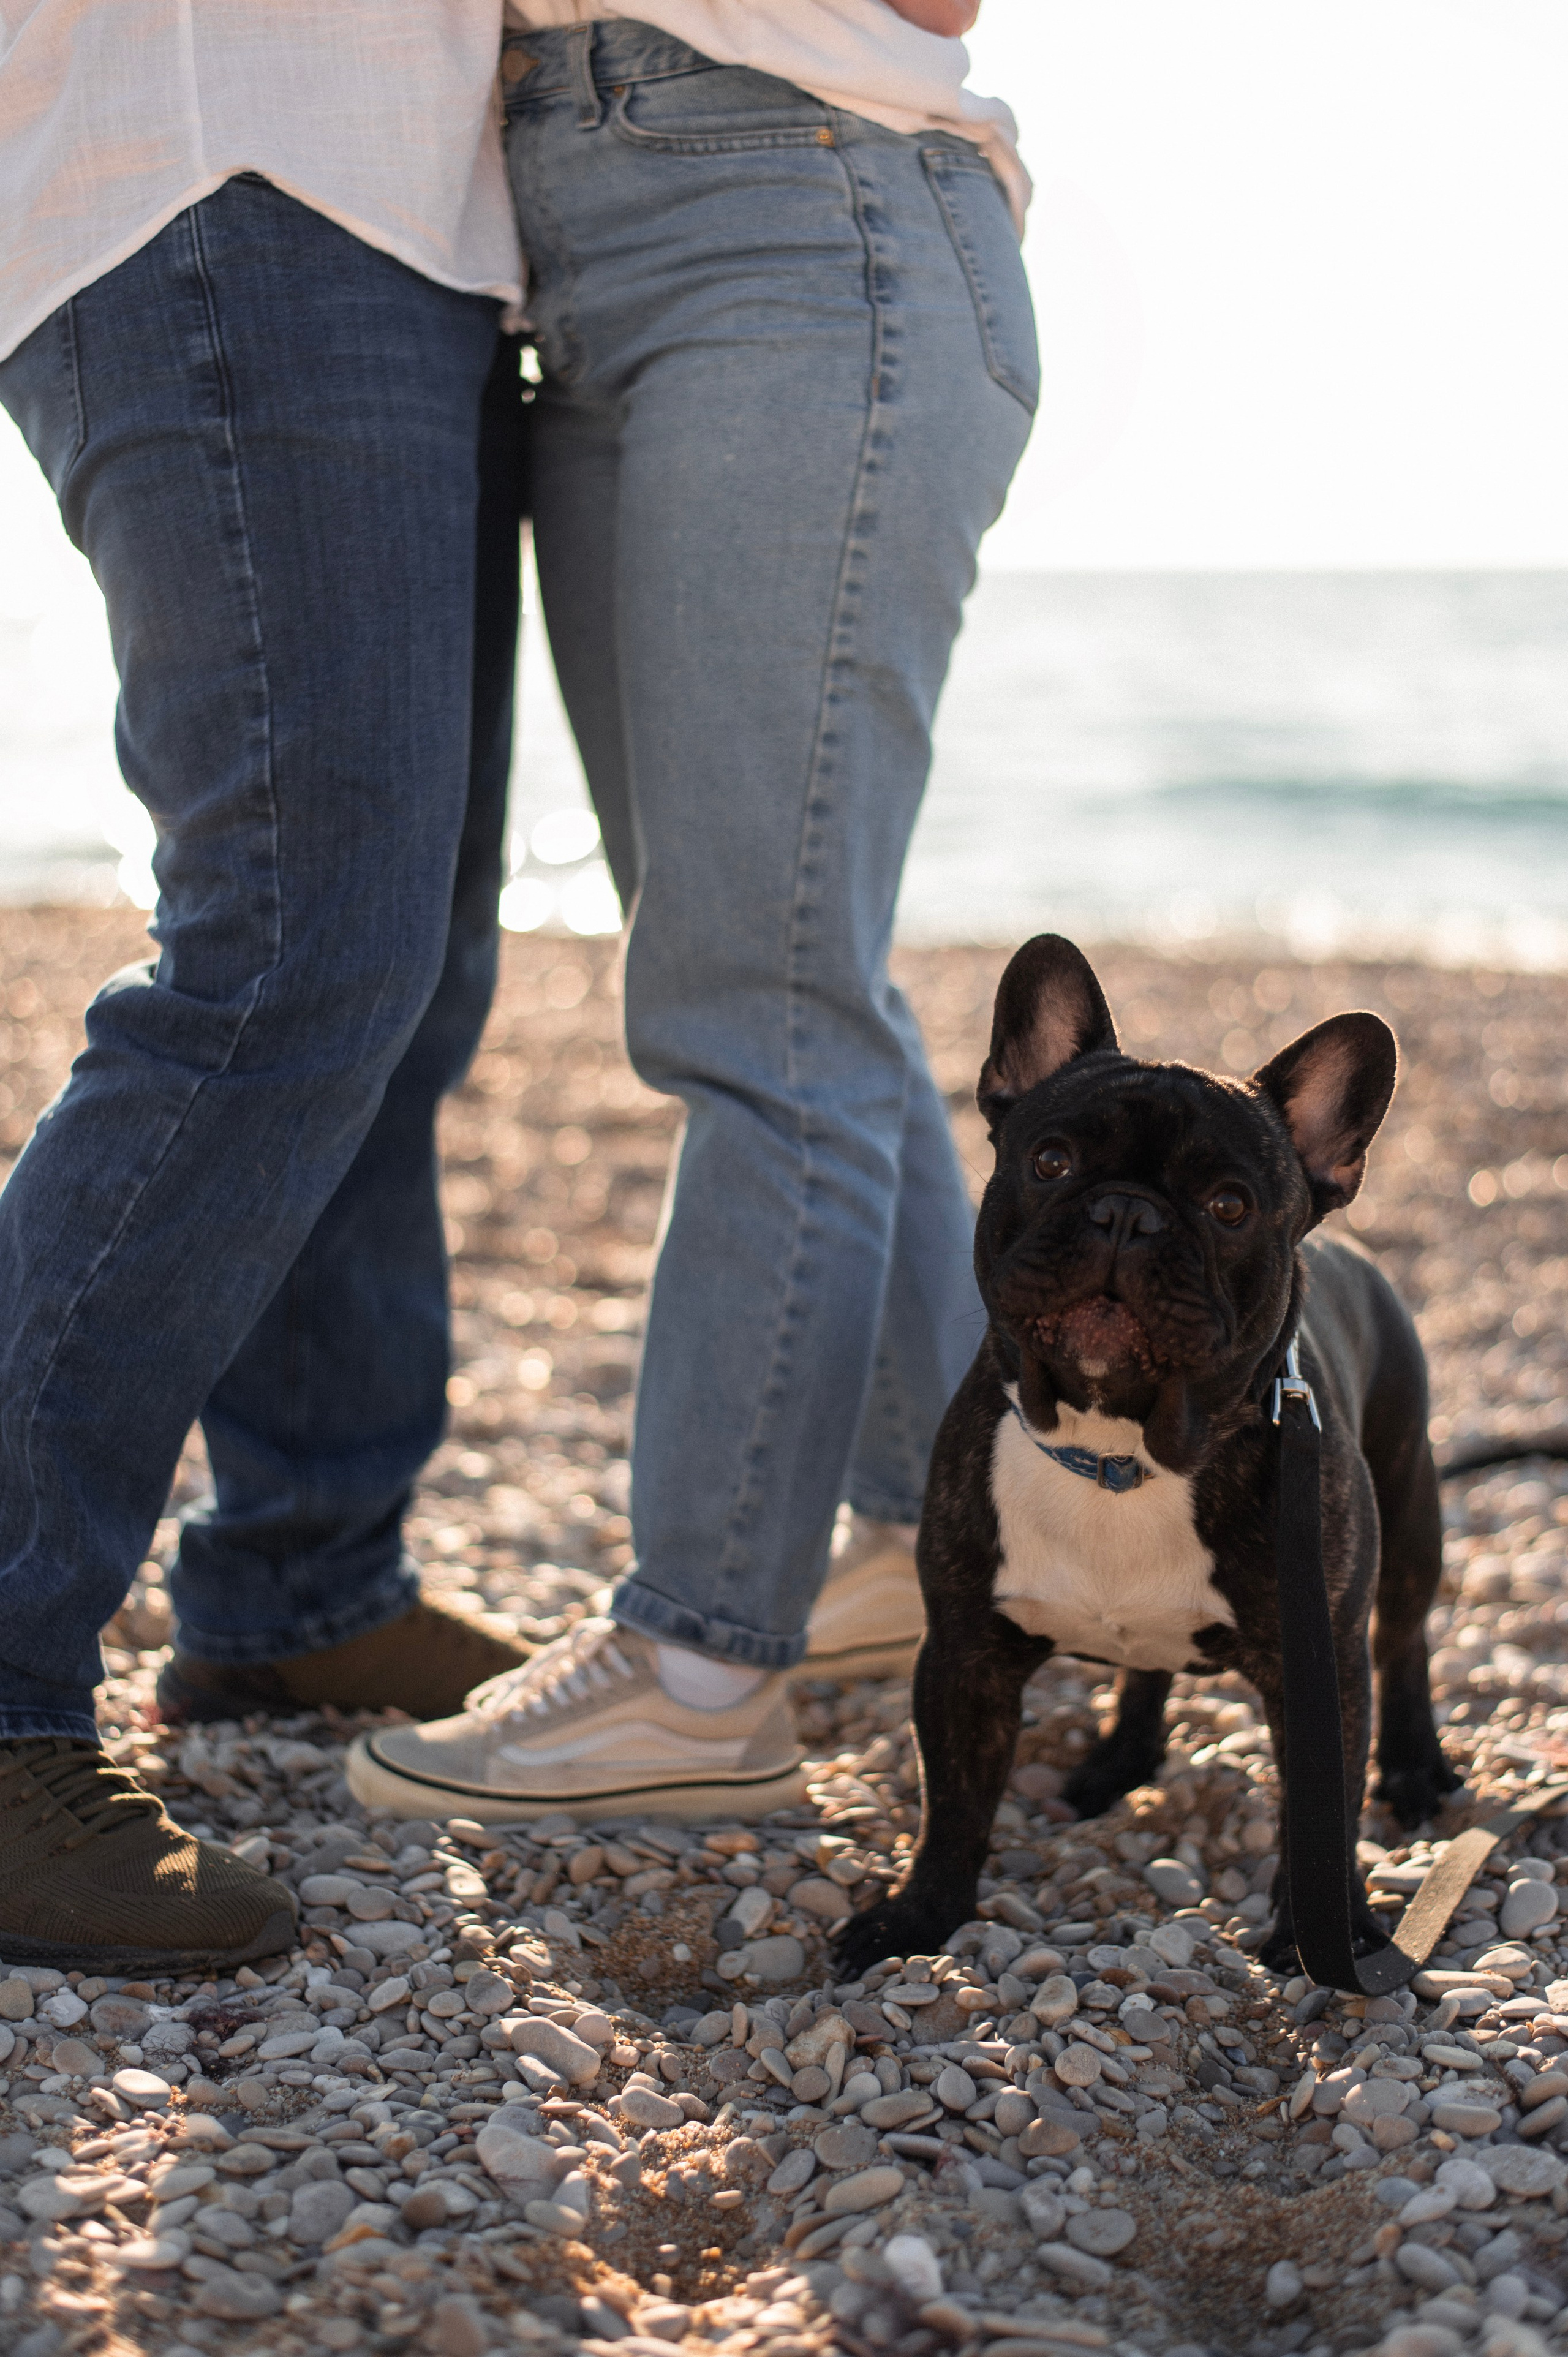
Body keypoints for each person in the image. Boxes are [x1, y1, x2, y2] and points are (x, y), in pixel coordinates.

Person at [349, 0, 1036, 1826]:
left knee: (762, 996)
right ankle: (918, 1527)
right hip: (565, 244)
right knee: (787, 956)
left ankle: (700, 1666)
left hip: (800, 207)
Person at [0, 7, 540, 1971]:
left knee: (403, 967)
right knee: (286, 957)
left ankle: (303, 1583)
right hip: (230, 170)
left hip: (413, 231)